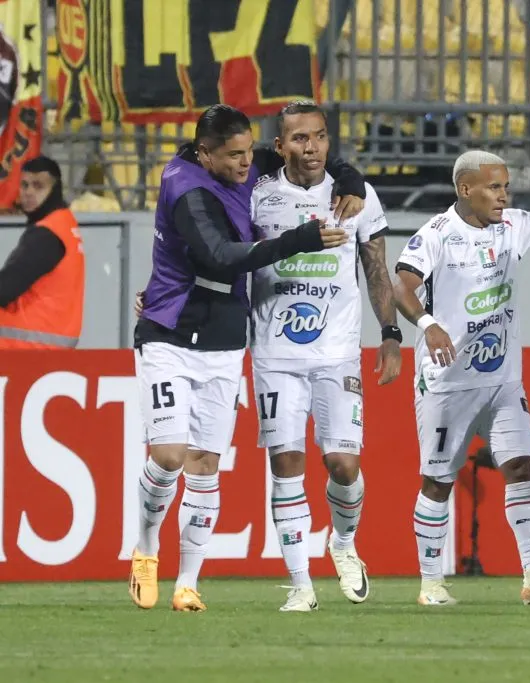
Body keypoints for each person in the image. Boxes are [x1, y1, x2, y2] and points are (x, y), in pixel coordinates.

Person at [130, 104, 364, 613]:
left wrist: (351, 177)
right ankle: (146, 547)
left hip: (223, 339)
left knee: (206, 466)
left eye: (247, 151)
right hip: (169, 331)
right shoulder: (187, 189)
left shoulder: (237, 161)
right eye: (234, 155)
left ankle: (187, 582)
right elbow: (220, 255)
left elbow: (311, 158)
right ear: (204, 153)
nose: (245, 163)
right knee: (169, 455)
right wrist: (300, 239)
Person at [393, 150, 530, 606]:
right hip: (447, 382)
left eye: (506, 187)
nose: (504, 195)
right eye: (494, 188)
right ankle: (430, 583)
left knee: (520, 467)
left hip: (502, 378)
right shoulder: (437, 234)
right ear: (465, 189)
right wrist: (427, 324)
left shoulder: (512, 224)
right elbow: (400, 284)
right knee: (438, 481)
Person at [249, 101, 401, 612]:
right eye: (298, 139)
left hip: (336, 353)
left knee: (342, 463)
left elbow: (376, 268)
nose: (309, 147)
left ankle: (341, 542)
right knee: (286, 464)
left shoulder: (356, 197)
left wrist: (390, 333)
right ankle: (300, 585)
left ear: (328, 142)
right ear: (280, 146)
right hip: (274, 352)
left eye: (318, 137)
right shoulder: (257, 196)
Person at [0, 156, 83, 349]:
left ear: (54, 189)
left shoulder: (47, 234)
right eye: (25, 185)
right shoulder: (64, 223)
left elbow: (5, 289)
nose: (28, 192)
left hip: (26, 349)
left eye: (38, 186)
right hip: (43, 347)